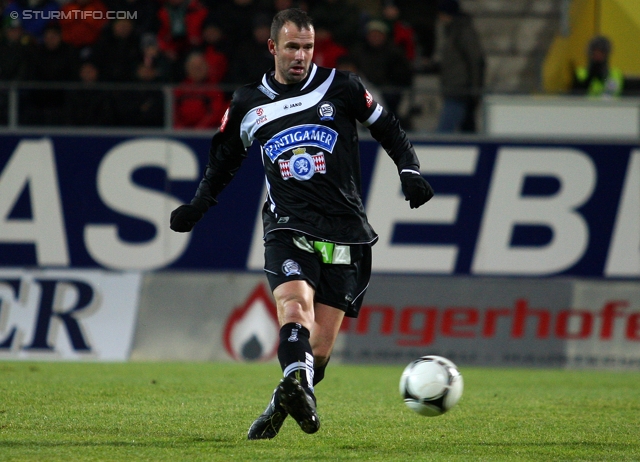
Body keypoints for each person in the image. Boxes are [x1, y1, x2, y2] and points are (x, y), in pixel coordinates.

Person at [169, 8, 433, 439]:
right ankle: (296, 391)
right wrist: (200, 203)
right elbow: (224, 160)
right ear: (273, 47)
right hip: (288, 225)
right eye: (292, 46)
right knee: (294, 309)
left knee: (320, 351)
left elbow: (388, 128)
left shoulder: (342, 87)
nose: (301, 55)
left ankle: (281, 403)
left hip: (346, 230)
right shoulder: (248, 102)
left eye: (308, 47)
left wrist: (410, 170)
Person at [435, 0, 485, 133]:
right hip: (455, 87)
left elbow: (475, 60)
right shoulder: (452, 31)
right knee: (468, 131)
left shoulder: (462, 31)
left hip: (459, 89)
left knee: (444, 132)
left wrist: (475, 89)